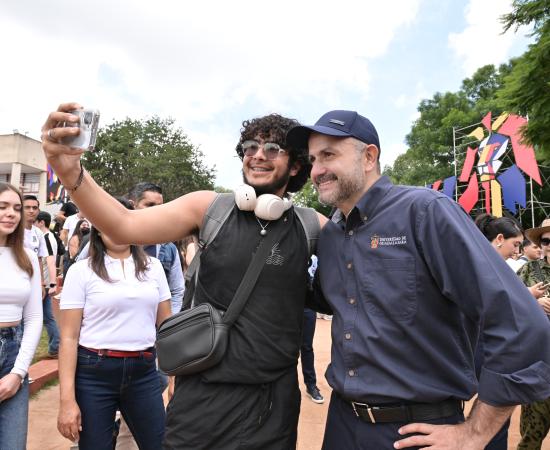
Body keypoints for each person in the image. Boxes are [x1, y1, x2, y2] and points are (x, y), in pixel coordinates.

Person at [42, 103, 326, 449]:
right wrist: (69, 170)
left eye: (271, 149)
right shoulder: (210, 209)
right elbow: (123, 223)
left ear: (296, 164)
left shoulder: (311, 226)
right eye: (250, 147)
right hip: (202, 397)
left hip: (271, 404)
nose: (257, 156)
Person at [286, 110, 550, 450]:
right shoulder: (333, 235)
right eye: (312, 159)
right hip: (342, 426)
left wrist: (476, 432)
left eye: (328, 155)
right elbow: (323, 298)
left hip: (418, 432)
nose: (316, 170)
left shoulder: (425, 211)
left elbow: (522, 324)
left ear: (369, 157)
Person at [56, 197, 171, 450]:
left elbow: (167, 329)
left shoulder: (154, 268)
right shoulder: (81, 271)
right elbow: (68, 337)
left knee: (161, 444)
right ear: (98, 226)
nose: (117, 228)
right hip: (94, 373)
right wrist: (67, 401)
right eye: (109, 221)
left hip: (143, 373)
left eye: (124, 220)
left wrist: (174, 379)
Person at [0, 182, 43, 449]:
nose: (11, 213)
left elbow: (35, 318)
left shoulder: (27, 257)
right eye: (2, 207)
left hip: (15, 353)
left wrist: (18, 372)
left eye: (16, 208)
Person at [516, 219, 550, 449]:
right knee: (531, 435)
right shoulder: (528, 270)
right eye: (546, 240)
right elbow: (508, 306)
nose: (549, 245)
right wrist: (533, 303)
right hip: (539, 364)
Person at [35, 211, 61, 357]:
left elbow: (50, 261)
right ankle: (54, 346)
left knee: (44, 317)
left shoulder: (46, 237)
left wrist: (51, 284)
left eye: (35, 222)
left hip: (43, 283)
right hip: (44, 282)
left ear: (41, 222)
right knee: (47, 317)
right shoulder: (50, 236)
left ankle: (55, 345)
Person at [301, 254, 324, 404]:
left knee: (307, 346)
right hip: (287, 303)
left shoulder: (317, 254)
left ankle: (311, 385)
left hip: (308, 306)